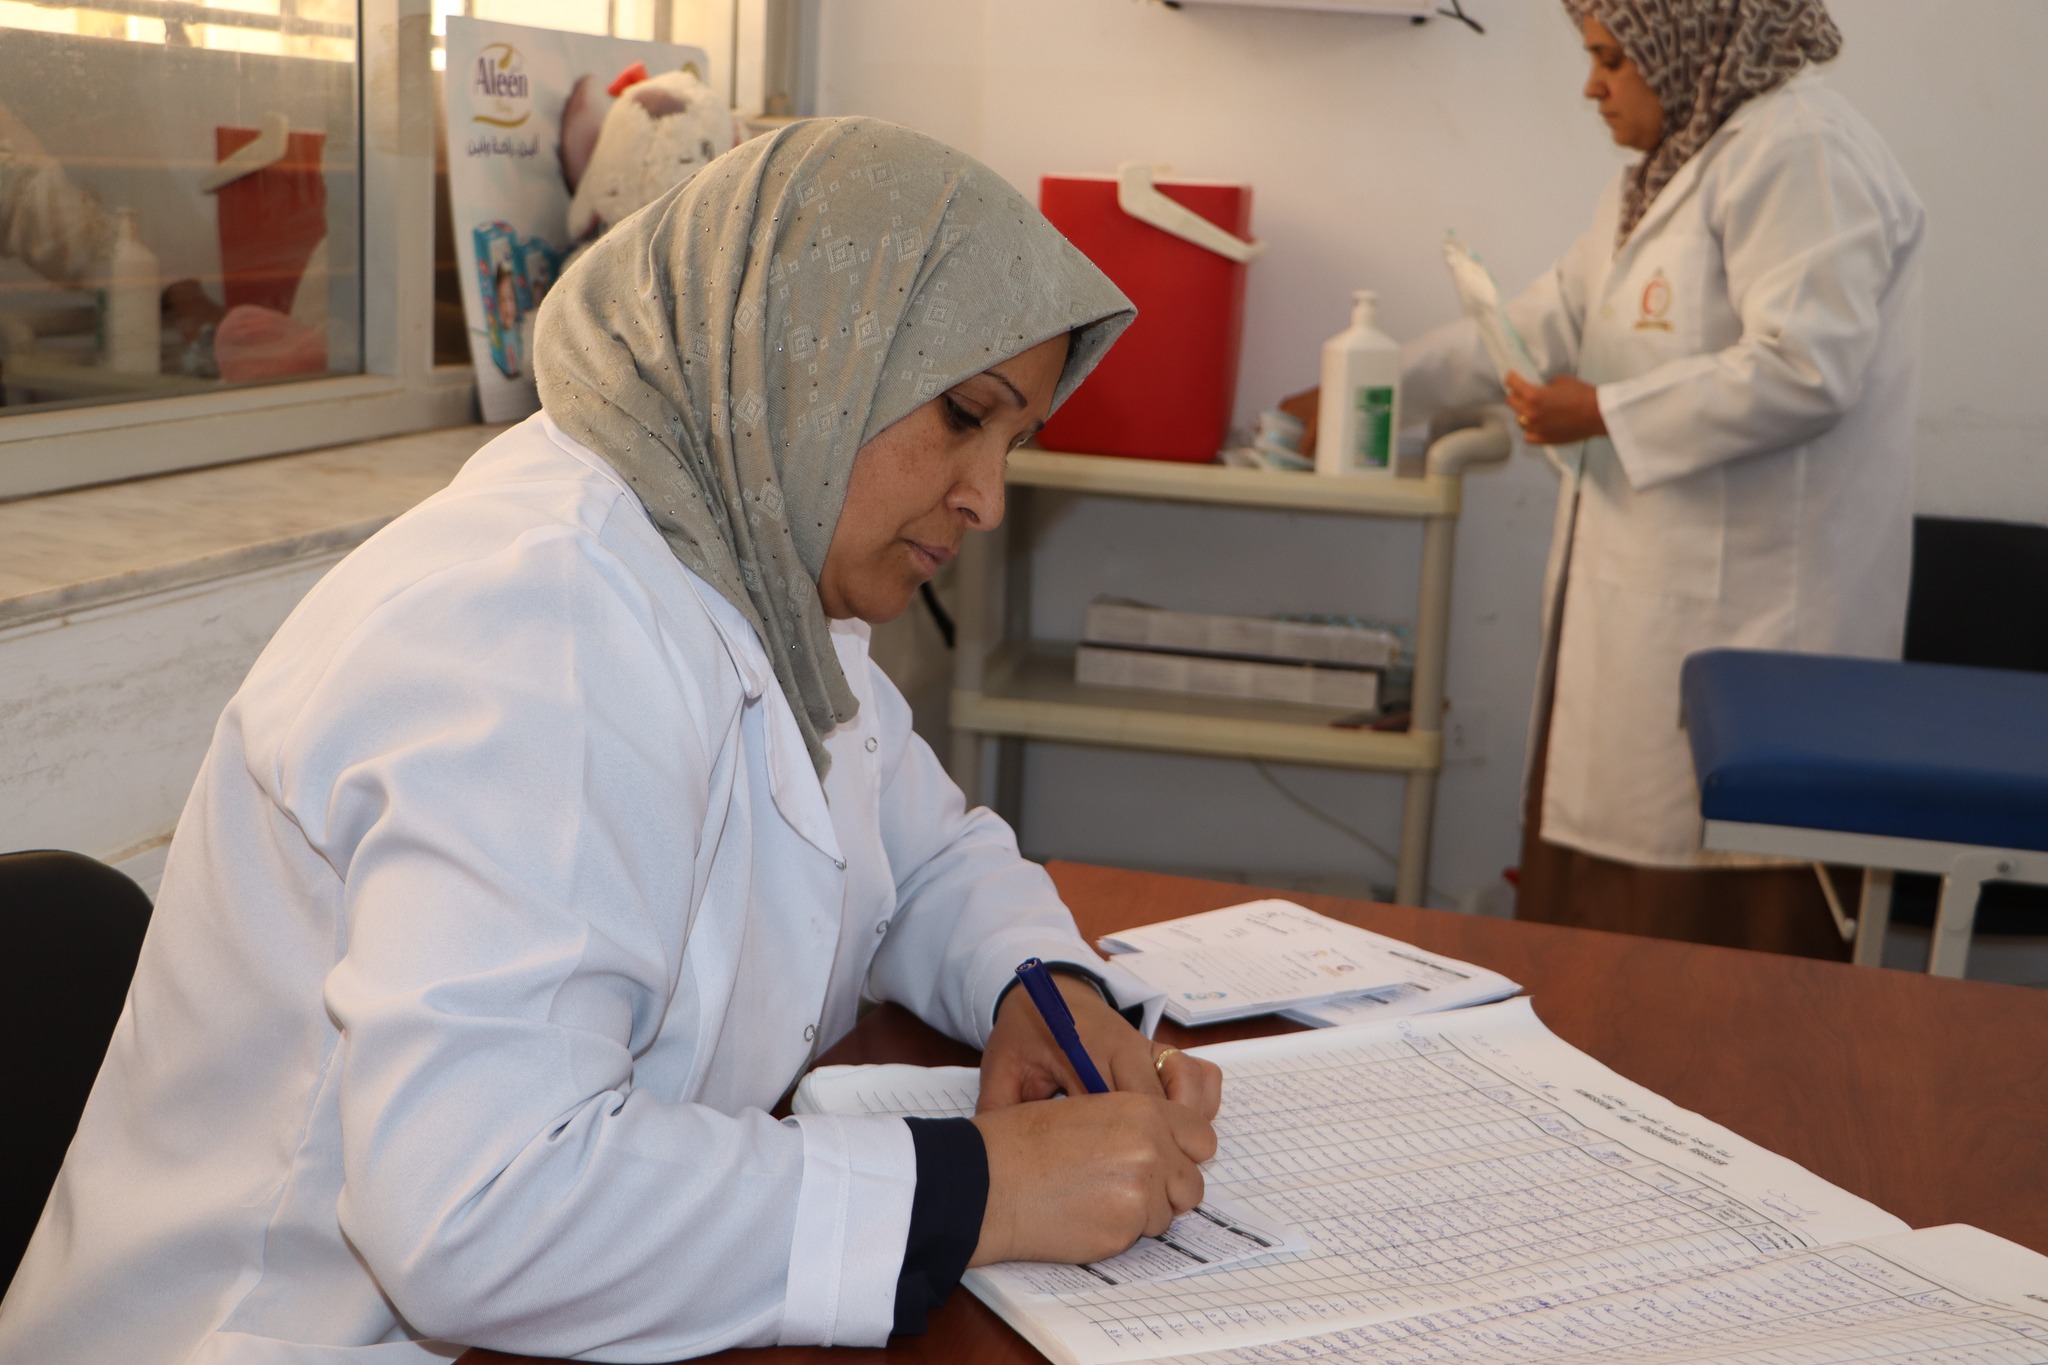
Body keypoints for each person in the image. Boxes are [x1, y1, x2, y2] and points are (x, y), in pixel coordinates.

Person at [0, 118, 1224, 1363]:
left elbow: (925, 854)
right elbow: (486, 1206)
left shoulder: (763, 578)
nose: (985, 496)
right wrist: (979, 1190)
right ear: (805, 352)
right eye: (963, 414)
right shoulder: (535, 621)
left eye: (1013, 441)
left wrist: (1041, 987)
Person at [1401, 0, 1923, 955]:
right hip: (1640, 609)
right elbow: (1535, 328)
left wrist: (1604, 410)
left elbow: (1808, 370)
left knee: (1719, 937)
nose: (1591, 86)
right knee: (1604, 900)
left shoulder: (1801, 152)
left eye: (1612, 59)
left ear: (1688, 42)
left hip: (1756, 617)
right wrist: (1376, 389)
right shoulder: (1661, 173)